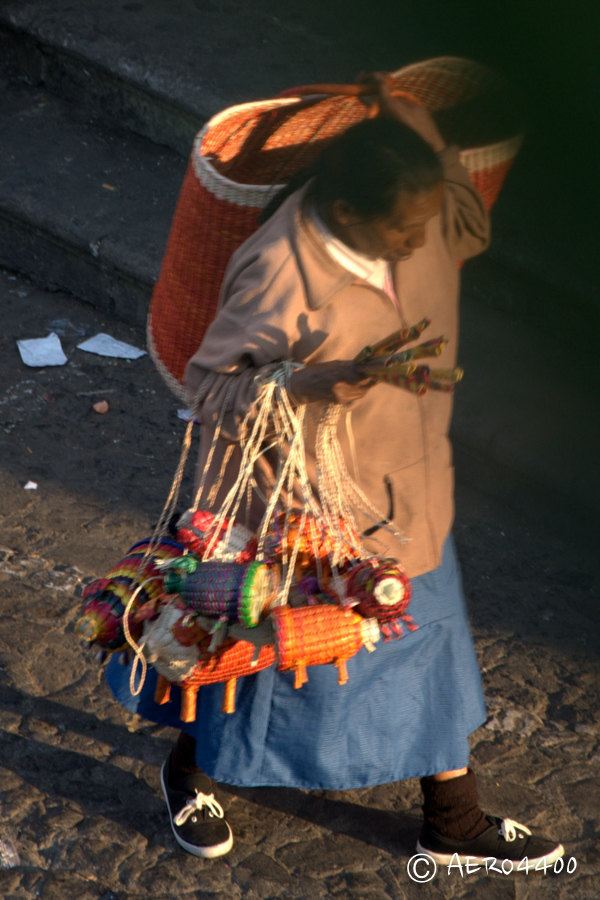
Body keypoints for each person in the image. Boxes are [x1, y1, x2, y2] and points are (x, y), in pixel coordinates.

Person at [106, 76, 563, 867]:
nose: (423, 241)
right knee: (259, 661)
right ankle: (190, 770)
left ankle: (453, 819)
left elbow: (462, 218)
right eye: (402, 227)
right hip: (302, 511)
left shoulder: (424, 218)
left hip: (411, 487)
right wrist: (324, 380)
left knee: (427, 644)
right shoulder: (278, 269)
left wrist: (414, 119)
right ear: (347, 212)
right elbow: (211, 385)